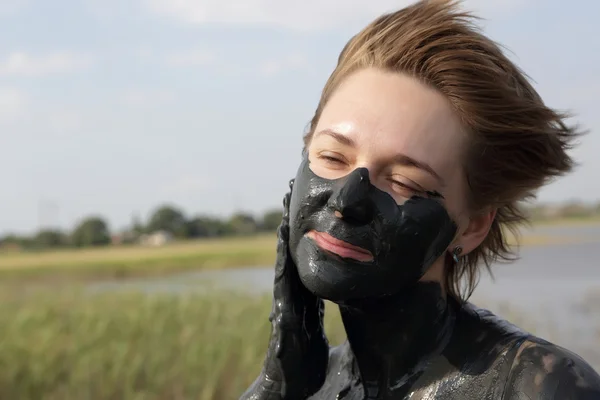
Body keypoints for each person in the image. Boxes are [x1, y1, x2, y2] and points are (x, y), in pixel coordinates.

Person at [240, 1, 600, 399]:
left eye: (405, 182)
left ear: (474, 224)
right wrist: (275, 387)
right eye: (332, 157)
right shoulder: (311, 382)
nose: (347, 200)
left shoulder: (538, 385)